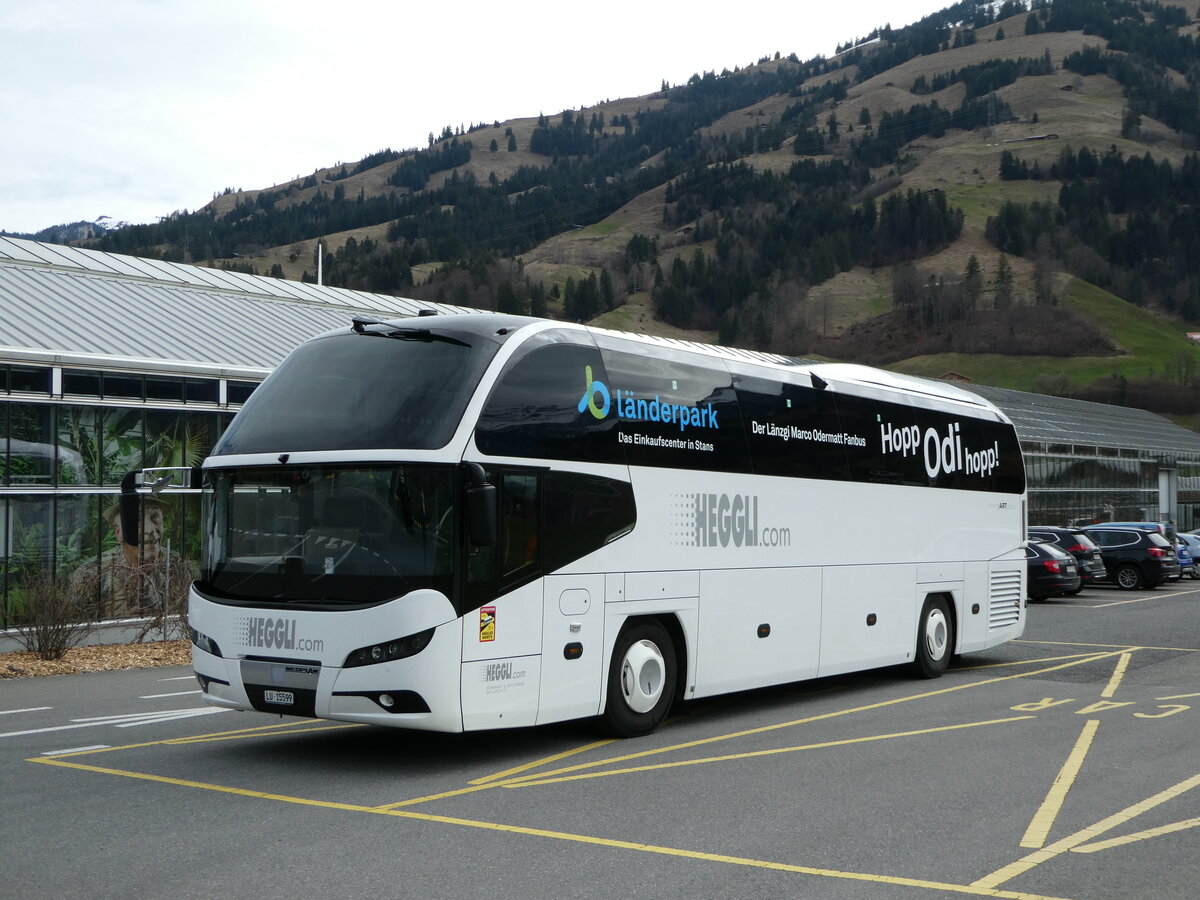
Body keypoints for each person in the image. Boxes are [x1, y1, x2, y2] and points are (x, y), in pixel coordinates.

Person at [73, 496, 192, 618]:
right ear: (118, 531)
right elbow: (75, 631)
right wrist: (120, 625)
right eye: (137, 520)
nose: (150, 529)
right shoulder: (91, 574)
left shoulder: (180, 567)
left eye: (155, 517)